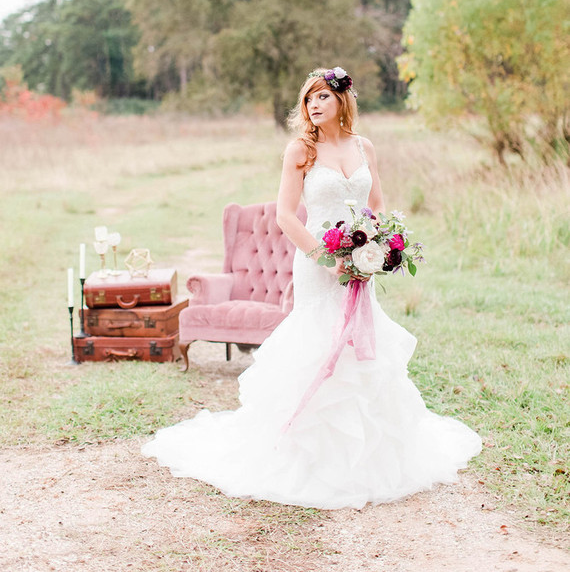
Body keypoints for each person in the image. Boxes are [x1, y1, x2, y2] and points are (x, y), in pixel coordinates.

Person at [142, 66, 481, 508]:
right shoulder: (300, 150)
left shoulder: (365, 147)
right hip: (319, 263)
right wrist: (328, 257)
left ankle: (367, 457)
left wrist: (375, 248)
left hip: (359, 262)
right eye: (308, 99)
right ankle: (305, 451)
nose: (314, 105)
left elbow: (375, 203)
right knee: (318, 342)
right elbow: (286, 215)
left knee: (362, 345)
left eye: (322, 96)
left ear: (343, 100)